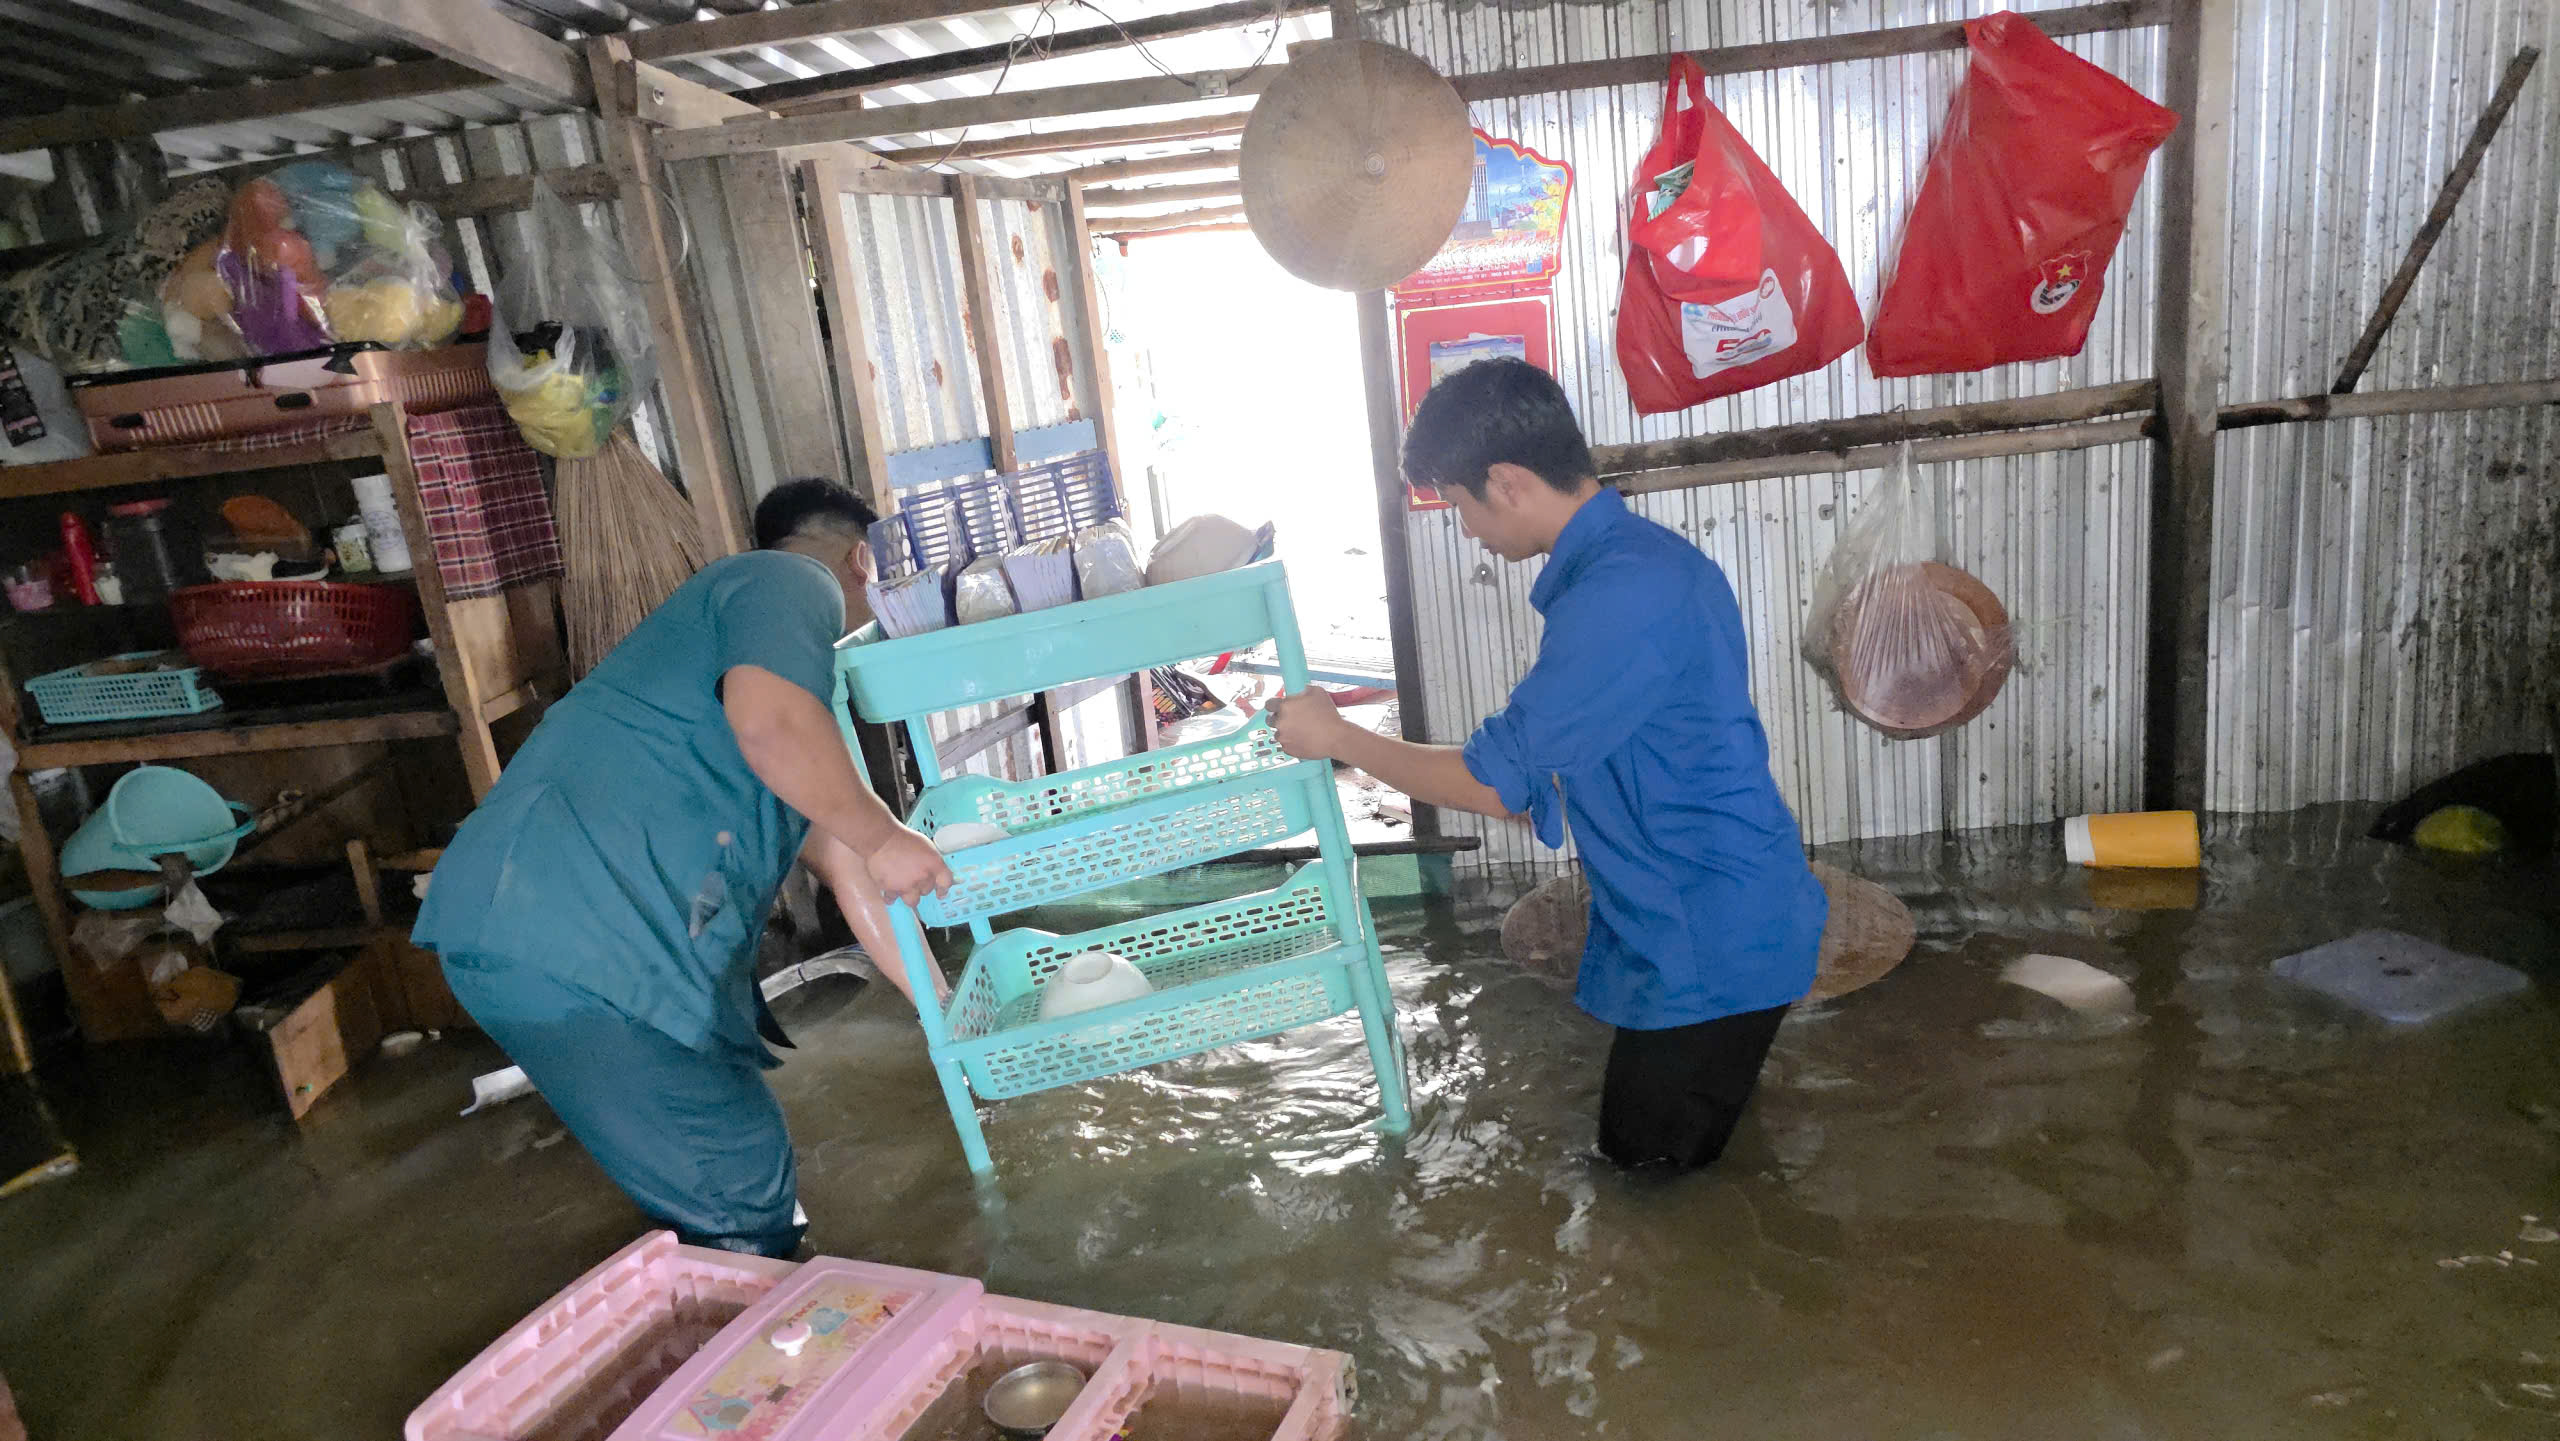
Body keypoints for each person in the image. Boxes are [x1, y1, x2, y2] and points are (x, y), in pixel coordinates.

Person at [1264, 359, 1826, 1172]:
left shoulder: (1621, 598)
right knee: (1700, 1155)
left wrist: (1339, 738)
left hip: (1709, 941)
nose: (1464, 529)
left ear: (1508, 480)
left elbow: (1495, 783)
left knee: (1643, 1186)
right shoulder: (1640, 565)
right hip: (1718, 913)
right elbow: (1590, 753)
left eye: (1458, 505)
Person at [414, 477, 952, 1256]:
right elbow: (774, 733)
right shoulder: (786, 581)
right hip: (573, 934)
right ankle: (760, 1348)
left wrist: (949, 1018)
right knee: (738, 1190)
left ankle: (735, 1305)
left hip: (563, 935)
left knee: (728, 1166)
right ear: (863, 558)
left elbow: (849, 863)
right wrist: (888, 834)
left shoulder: (783, 694)